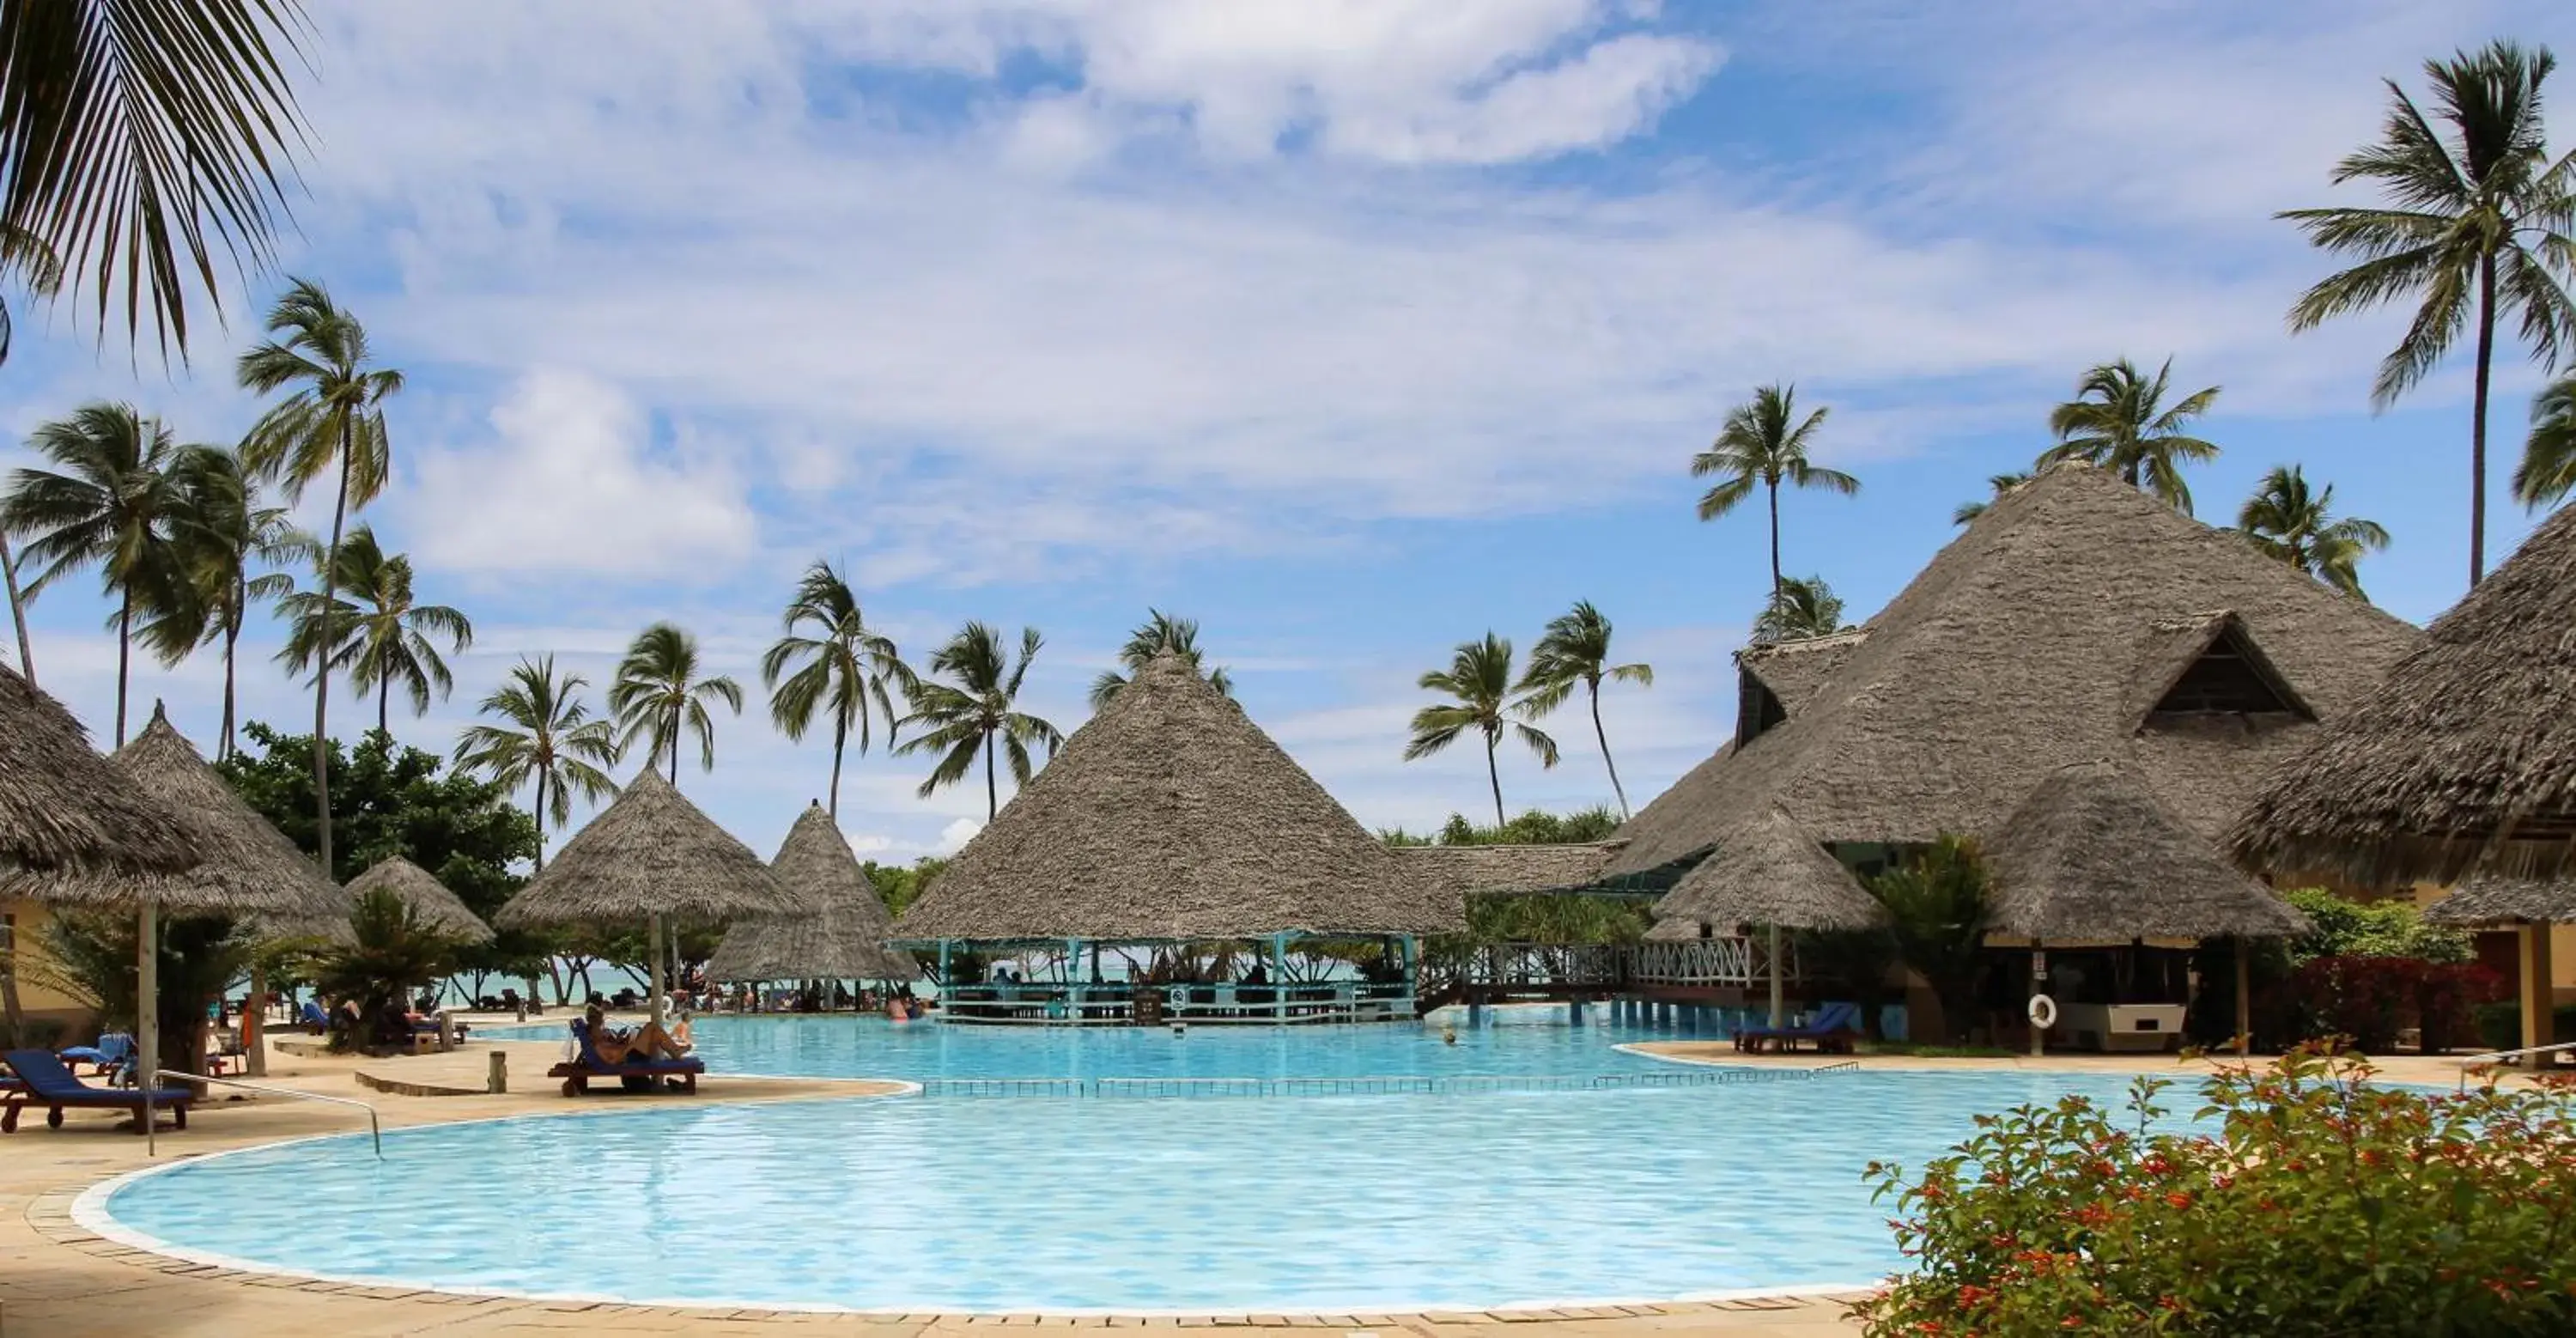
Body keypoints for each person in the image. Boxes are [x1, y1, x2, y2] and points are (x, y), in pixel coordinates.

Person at [582, 1003, 692, 1064]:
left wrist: (620, 1040)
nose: (602, 1029)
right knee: (651, 1027)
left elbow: (615, 1049)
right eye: (599, 1028)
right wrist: (630, 1046)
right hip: (632, 1056)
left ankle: (675, 1051)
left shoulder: (601, 1041)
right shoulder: (599, 1047)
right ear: (592, 1032)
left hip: (634, 1052)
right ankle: (675, 1050)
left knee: (653, 1031)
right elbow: (613, 1061)